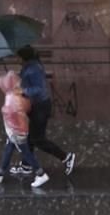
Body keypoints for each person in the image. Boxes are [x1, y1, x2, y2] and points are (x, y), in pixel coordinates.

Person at [11, 45, 76, 177]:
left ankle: (66, 157)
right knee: (30, 136)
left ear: (24, 56)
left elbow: (38, 89)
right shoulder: (28, 67)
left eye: (18, 56)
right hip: (35, 106)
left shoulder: (34, 68)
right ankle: (26, 165)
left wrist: (23, 91)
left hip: (40, 107)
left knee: (38, 139)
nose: (16, 58)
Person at [0, 71, 49, 188]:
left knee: (26, 153)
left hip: (16, 130)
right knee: (9, 149)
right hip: (18, 129)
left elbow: (12, 113)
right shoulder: (17, 95)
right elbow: (26, 108)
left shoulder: (12, 98)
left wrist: (13, 128)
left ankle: (41, 174)